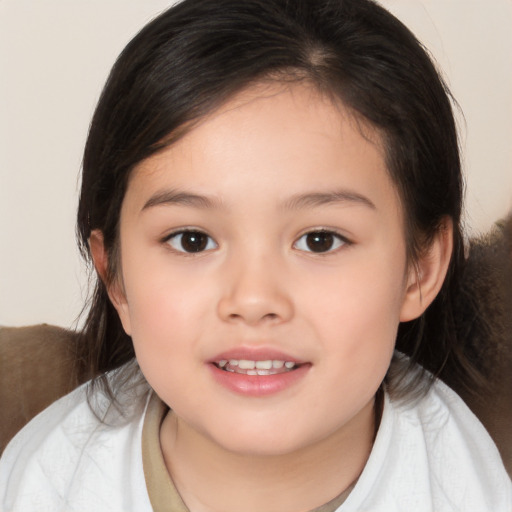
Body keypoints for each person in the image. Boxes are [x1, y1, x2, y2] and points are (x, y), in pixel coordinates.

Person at [0, 0, 510, 510]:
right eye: (192, 240)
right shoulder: (40, 485)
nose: (253, 299)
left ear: (419, 269)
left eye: (320, 240)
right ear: (116, 277)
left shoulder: (477, 487)